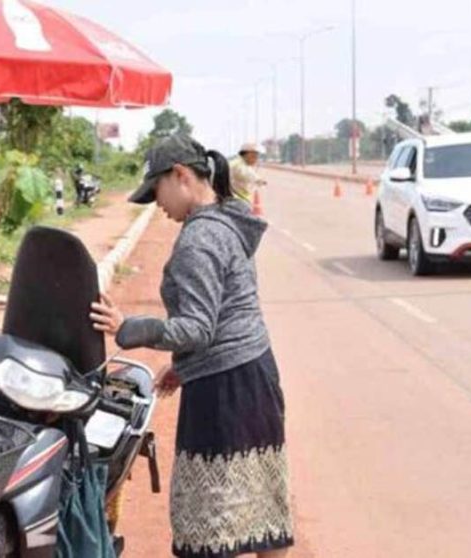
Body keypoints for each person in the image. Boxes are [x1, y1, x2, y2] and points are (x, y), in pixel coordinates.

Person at [91, 134, 293, 558]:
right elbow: (224, 312)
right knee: (262, 508)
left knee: (207, 522)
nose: (157, 205)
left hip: (226, 393)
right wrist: (184, 367)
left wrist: (130, 327)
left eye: (157, 191)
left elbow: (198, 328)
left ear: (180, 175)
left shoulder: (199, 240)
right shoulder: (227, 221)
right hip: (255, 374)